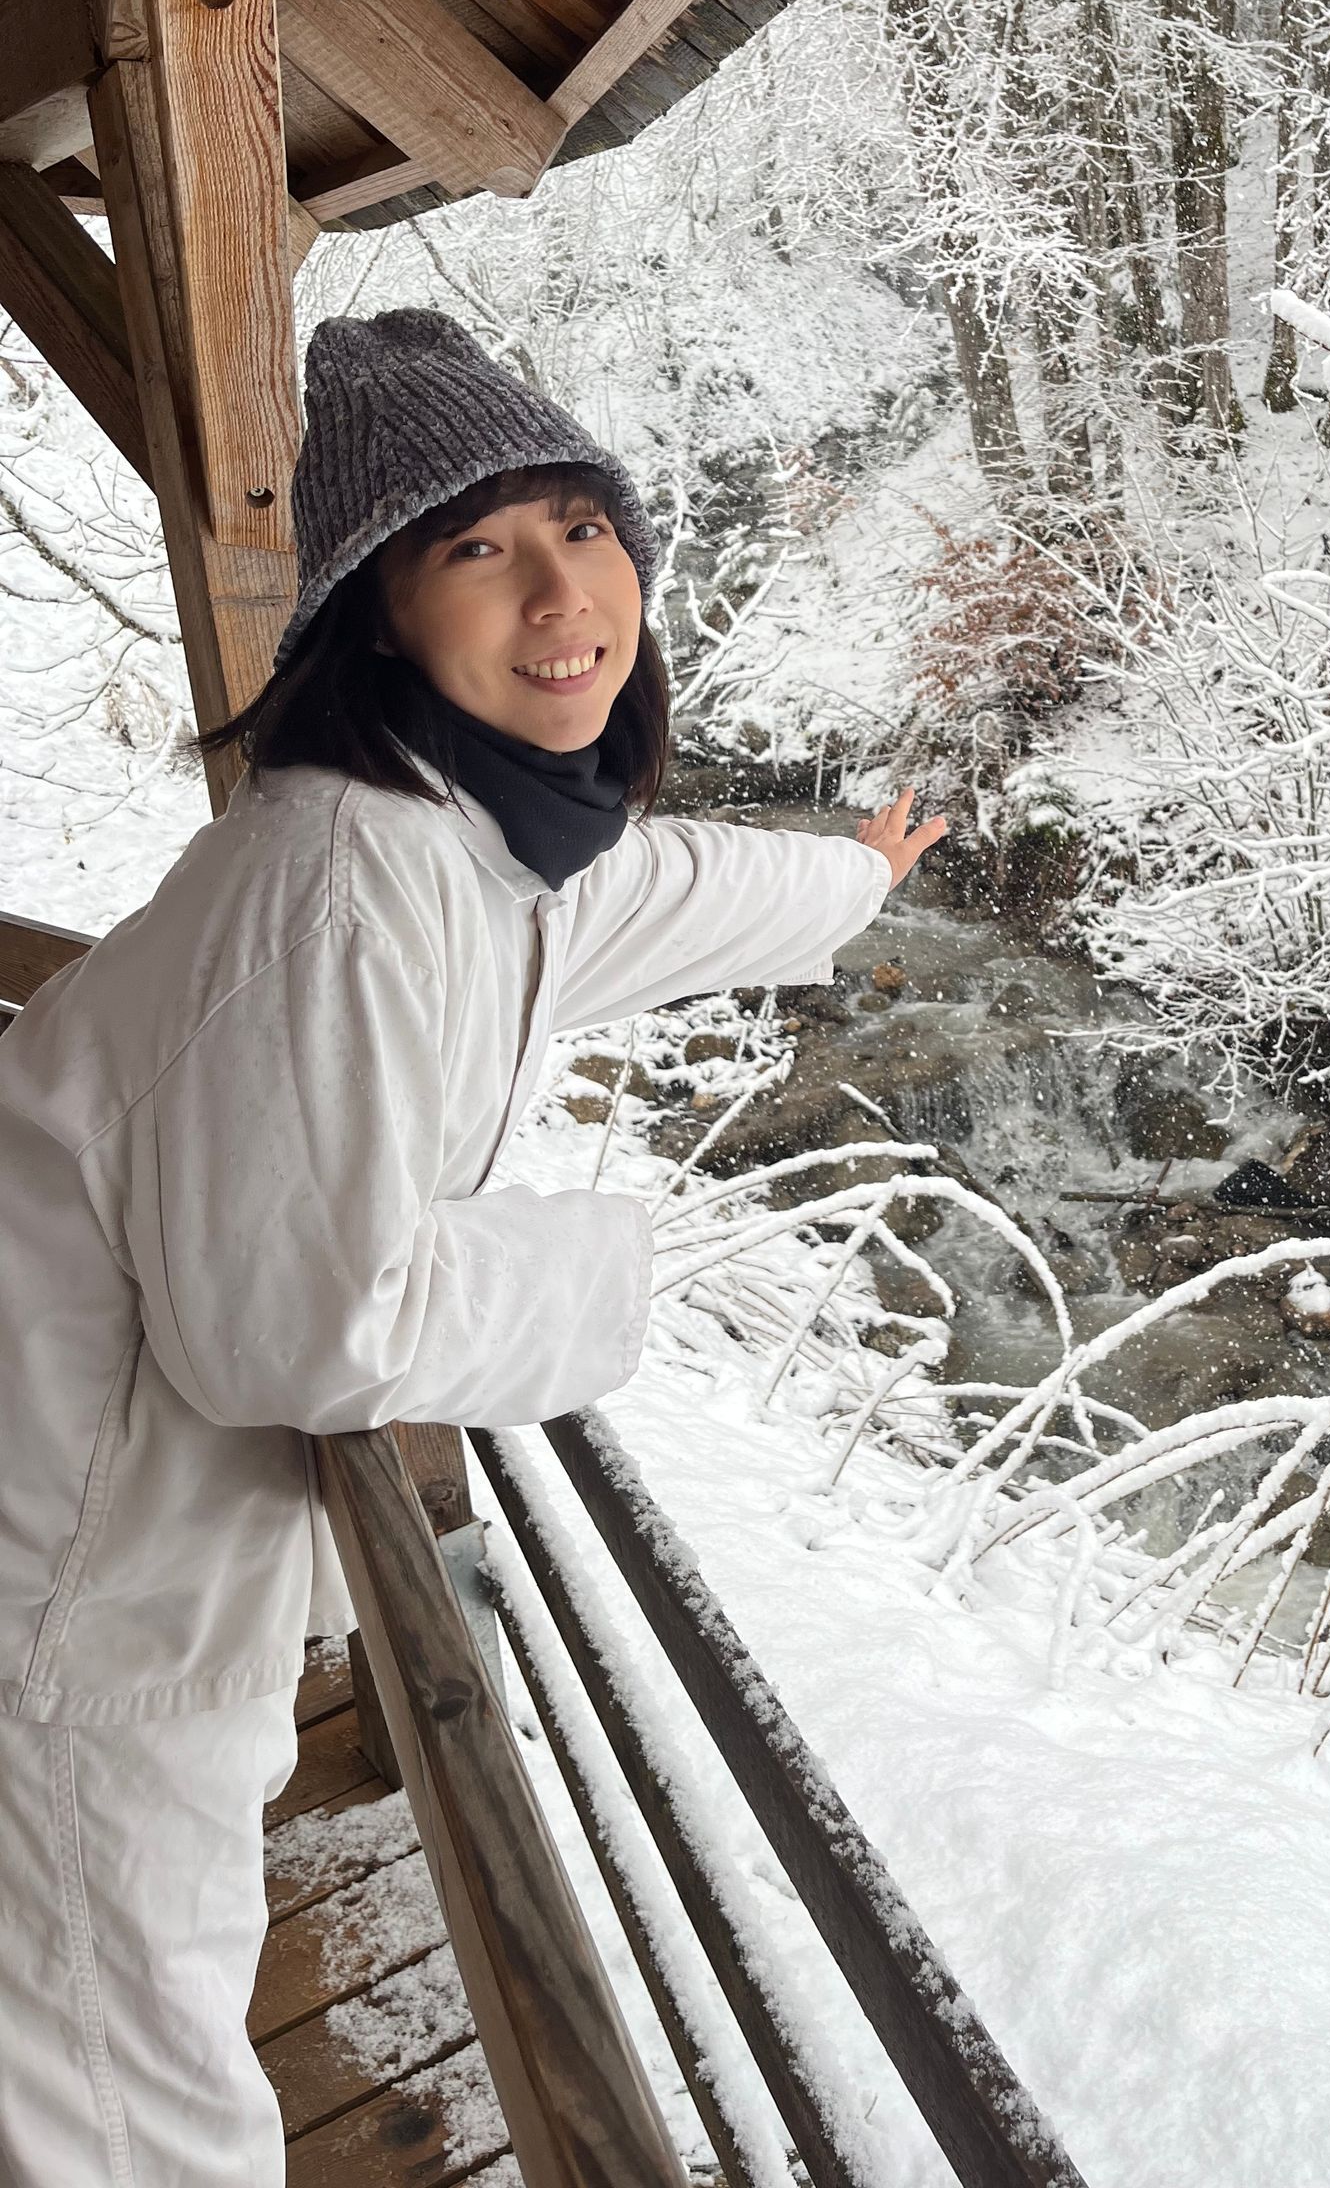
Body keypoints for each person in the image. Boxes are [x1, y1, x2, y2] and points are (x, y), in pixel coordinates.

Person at [0, 307, 946, 2187]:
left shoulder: (446, 841)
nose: (561, 592)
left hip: (104, 1543)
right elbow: (307, 1332)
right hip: (76, 1593)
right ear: (375, 612)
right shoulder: (348, 888)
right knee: (127, 2096)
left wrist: (852, 877)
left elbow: (633, 898)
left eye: (583, 529)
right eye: (476, 547)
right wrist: (615, 1269)